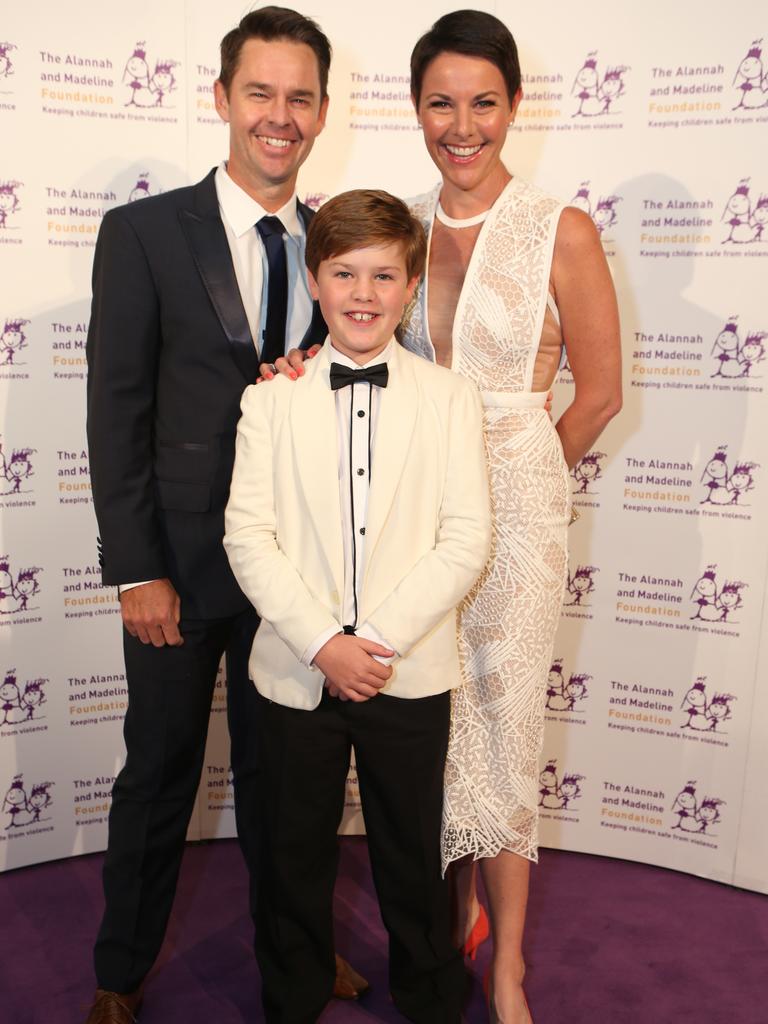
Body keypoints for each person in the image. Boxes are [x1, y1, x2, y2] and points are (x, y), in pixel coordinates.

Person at [271, 12, 621, 1021]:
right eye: (440, 103)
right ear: (417, 109)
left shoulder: (563, 228)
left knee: (506, 730)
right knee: (430, 723)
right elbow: (352, 331)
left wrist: (523, 482)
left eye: (483, 103)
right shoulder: (402, 225)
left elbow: (597, 390)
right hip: (406, 514)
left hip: (514, 519)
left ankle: (505, 962)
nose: (461, 125)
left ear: (514, 107)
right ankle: (442, 919)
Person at [83, 9, 365, 1023]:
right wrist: (134, 567)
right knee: (158, 775)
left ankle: (299, 946)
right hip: (177, 570)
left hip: (294, 574)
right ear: (222, 98)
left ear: (322, 111)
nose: (278, 116)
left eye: (299, 97)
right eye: (260, 92)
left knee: (286, 782)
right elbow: (116, 412)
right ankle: (120, 973)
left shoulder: (341, 243)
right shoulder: (145, 233)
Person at [224, 188, 492, 1024]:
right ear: (313, 280)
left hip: (406, 671)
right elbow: (248, 538)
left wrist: (371, 641)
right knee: (290, 856)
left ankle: (432, 998)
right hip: (295, 673)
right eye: (345, 273)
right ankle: (294, 997)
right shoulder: (269, 399)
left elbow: (464, 539)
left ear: (411, 285)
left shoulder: (451, 399)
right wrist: (322, 643)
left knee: (413, 862)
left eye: (384, 275)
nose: (364, 294)